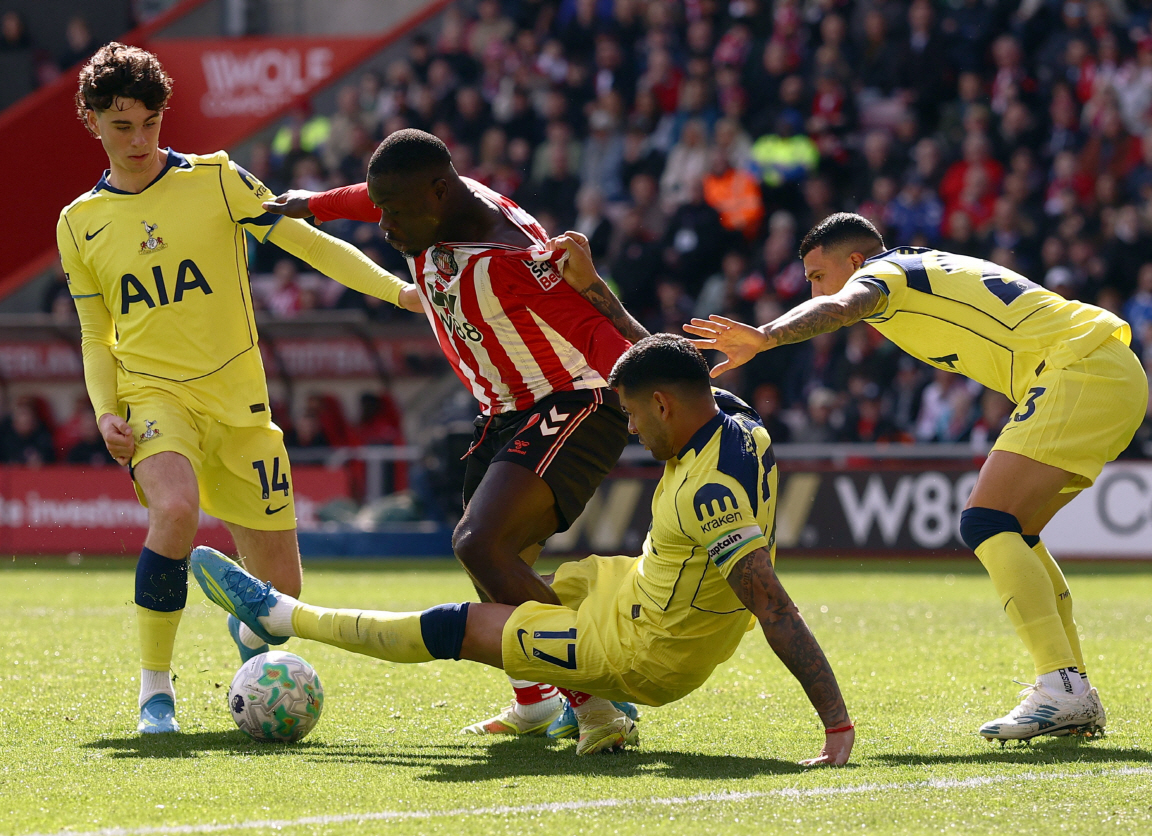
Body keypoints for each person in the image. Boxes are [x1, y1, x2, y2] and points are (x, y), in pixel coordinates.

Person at [191, 334, 855, 764]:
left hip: (648, 654)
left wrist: (836, 729)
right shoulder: (742, 425)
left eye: (631, 415)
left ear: (663, 405)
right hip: (636, 590)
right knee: (516, 570)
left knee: (467, 626)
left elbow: (773, 605)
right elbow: (684, 370)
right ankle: (583, 713)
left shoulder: (710, 496)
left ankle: (282, 617)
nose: (629, 429)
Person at [56, 44, 419, 734]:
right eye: (122, 124)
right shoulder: (78, 223)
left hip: (241, 405)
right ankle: (155, 693)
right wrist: (107, 412)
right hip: (154, 396)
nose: (139, 140)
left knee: (283, 598)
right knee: (175, 511)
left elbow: (308, 244)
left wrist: (399, 293)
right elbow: (93, 334)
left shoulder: (219, 180)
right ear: (93, 121)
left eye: (150, 123)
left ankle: (252, 643)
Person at [685, 212, 1147, 742]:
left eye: (816, 275)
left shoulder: (884, 273)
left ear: (855, 261)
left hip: (1079, 368)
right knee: (1011, 529)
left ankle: (1062, 685)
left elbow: (840, 306)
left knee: (986, 522)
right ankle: (1072, 688)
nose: (811, 287)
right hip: (1107, 369)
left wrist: (765, 336)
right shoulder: (918, 268)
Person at [261, 129, 650, 748]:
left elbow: (600, 337)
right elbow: (372, 195)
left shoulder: (511, 259)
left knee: (480, 542)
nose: (383, 224)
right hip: (504, 409)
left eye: (394, 212)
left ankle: (599, 702)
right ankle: (536, 703)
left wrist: (667, 398)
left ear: (439, 192)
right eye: (380, 209)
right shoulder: (428, 201)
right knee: (492, 563)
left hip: (574, 400)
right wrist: (311, 204)